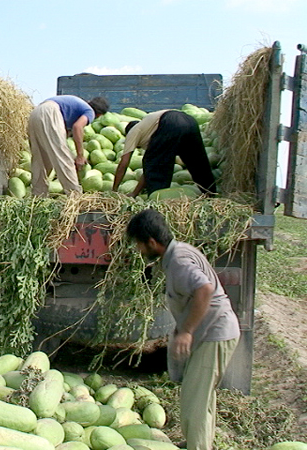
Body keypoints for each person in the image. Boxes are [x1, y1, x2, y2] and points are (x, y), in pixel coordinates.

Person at [126, 209, 239, 450]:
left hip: (215, 334)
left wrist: (187, 330)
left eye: (139, 245)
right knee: (201, 396)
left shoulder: (178, 261)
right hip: (212, 333)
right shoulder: (180, 251)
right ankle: (199, 443)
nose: (139, 250)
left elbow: (204, 289)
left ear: (152, 242)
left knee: (194, 400)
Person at [112, 110, 216, 197]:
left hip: (170, 122)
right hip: (190, 121)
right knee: (197, 162)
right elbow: (150, 169)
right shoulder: (150, 129)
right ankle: (211, 194)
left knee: (156, 168)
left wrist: (114, 190)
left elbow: (123, 164)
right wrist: (135, 193)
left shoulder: (133, 131)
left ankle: (157, 201)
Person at [28, 95, 109, 196]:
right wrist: (80, 155)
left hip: (36, 112)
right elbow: (77, 127)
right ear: (99, 115)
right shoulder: (89, 111)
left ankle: (38, 195)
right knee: (63, 158)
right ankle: (75, 196)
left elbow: (65, 132)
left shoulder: (77, 105)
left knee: (40, 159)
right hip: (50, 112)